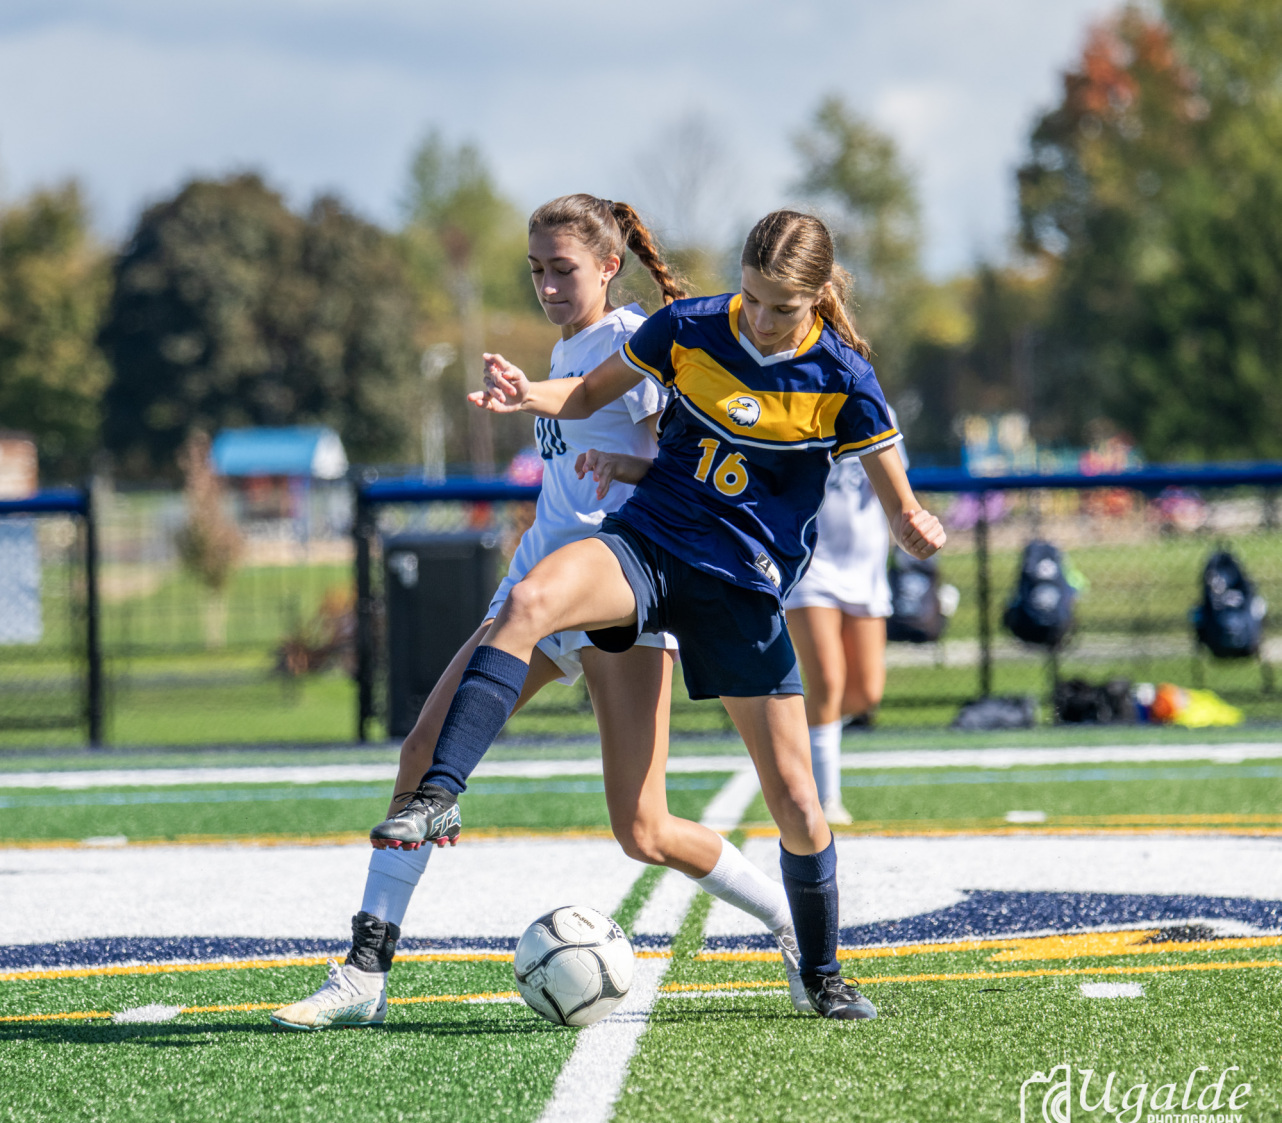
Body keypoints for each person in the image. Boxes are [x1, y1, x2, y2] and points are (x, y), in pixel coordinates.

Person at [366, 210, 946, 1020]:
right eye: (751, 298)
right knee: (529, 602)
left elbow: (898, 499)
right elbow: (586, 392)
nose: (762, 319)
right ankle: (438, 796)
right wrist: (529, 395)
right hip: (648, 546)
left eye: (782, 307)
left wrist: (914, 525)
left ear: (818, 297)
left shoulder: (843, 377)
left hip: (741, 589)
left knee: (797, 801)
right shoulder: (690, 326)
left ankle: (820, 971)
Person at [271, 196, 806, 1030]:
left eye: (564, 269)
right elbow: (574, 405)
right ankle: (365, 971)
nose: (549, 285)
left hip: (622, 588)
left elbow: (680, 458)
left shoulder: (637, 339)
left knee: (644, 828)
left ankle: (788, 922)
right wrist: (531, 395)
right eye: (536, 271)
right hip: (536, 587)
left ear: (608, 266)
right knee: (420, 751)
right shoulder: (564, 349)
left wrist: (614, 461)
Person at [785, 436, 905, 825]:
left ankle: (786, 735)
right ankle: (825, 801)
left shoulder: (876, 409)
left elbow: (895, 486)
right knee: (827, 681)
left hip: (865, 569)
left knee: (865, 693)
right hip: (809, 562)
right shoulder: (795, 408)